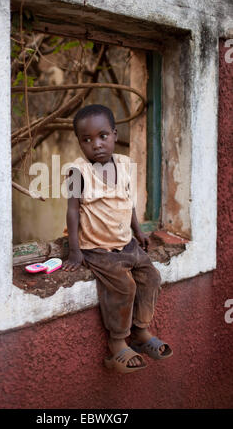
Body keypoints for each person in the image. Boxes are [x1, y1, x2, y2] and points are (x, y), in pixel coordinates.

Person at [62, 104, 173, 373]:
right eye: (86, 140)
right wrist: (75, 250)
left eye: (102, 136)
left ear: (114, 134)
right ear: (79, 142)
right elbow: (73, 211)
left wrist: (138, 231)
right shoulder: (78, 172)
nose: (96, 144)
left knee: (151, 278)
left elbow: (128, 202)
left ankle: (141, 331)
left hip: (127, 243)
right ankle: (117, 343)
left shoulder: (123, 165)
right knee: (124, 287)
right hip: (97, 249)